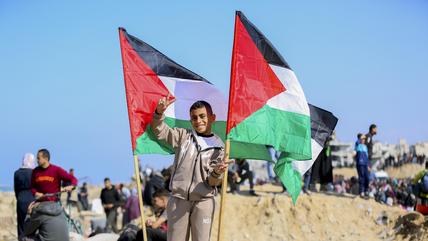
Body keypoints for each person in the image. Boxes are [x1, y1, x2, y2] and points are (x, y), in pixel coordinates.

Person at [150, 95, 228, 241]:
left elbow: (213, 182)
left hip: (204, 202)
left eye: (202, 116)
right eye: (194, 118)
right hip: (178, 201)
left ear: (212, 117)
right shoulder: (183, 136)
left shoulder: (220, 148)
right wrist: (159, 113)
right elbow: (160, 131)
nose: (198, 121)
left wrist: (217, 173)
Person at [24, 148, 77, 241]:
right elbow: (32, 187)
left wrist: (72, 186)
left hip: (54, 205)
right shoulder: (35, 171)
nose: (37, 160)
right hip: (40, 206)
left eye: (38, 158)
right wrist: (35, 193)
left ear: (46, 158)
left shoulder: (56, 170)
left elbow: (73, 179)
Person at [14, 153, 36, 240]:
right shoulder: (34, 173)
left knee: (21, 225)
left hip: (21, 199)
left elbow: (16, 189)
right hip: (32, 199)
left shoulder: (17, 173)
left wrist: (19, 198)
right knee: (32, 223)